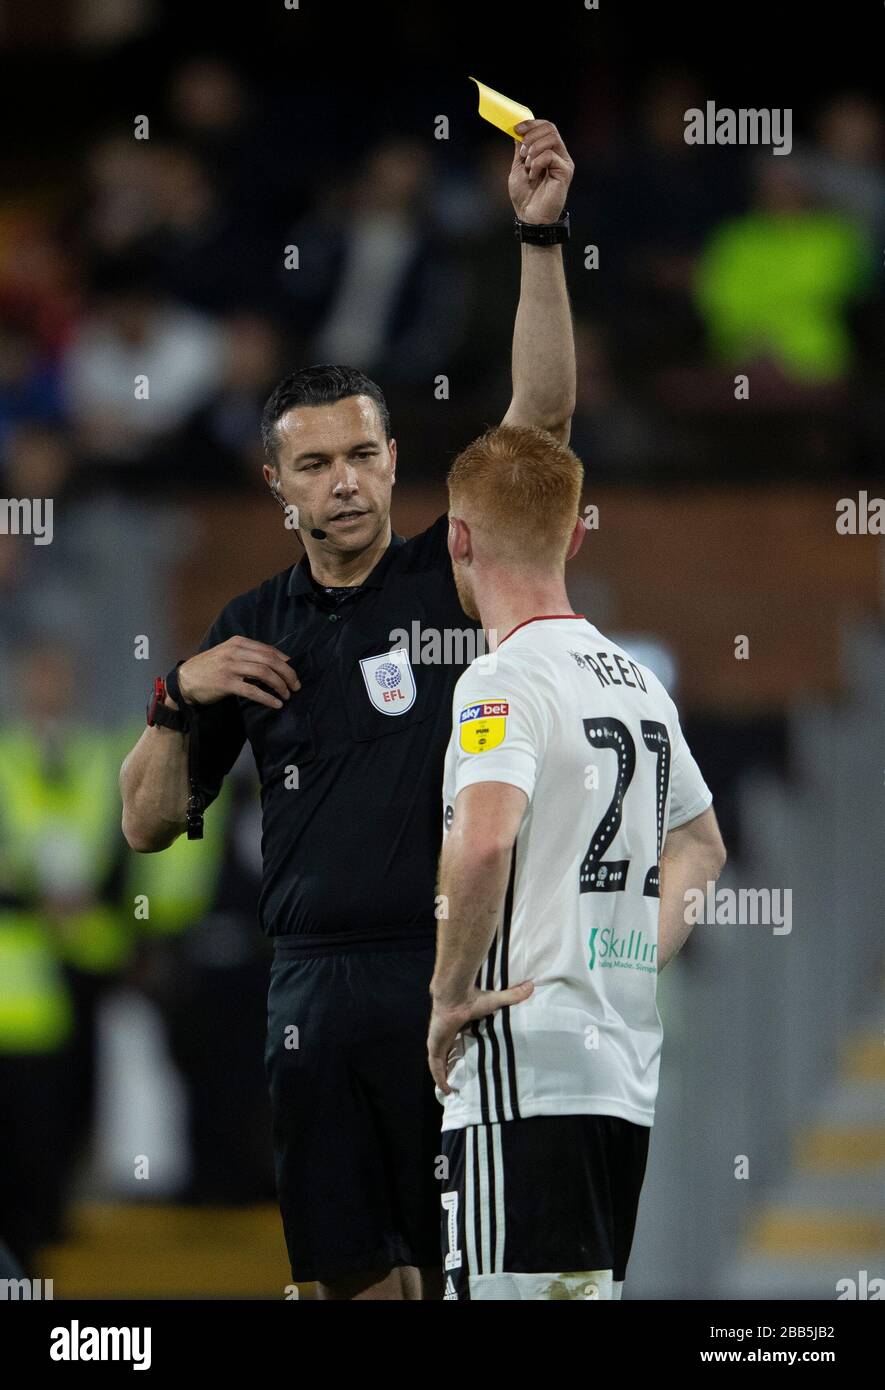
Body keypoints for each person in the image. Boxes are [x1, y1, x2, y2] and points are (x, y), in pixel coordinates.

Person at [120, 118, 576, 1300]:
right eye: (315, 464)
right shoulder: (249, 627)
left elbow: (541, 423)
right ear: (277, 485)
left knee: (472, 1270)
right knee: (346, 1284)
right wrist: (175, 696)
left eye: (363, 455)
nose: (346, 481)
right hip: (309, 987)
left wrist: (537, 233)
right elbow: (144, 827)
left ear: (390, 458)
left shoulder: (451, 572)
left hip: (449, 970)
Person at [427, 423, 726, 1300]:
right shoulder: (635, 680)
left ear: (457, 536)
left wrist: (447, 997)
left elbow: (482, 840)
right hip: (617, 1074)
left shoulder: (500, 679)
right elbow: (701, 845)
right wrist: (629, 954)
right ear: (576, 534)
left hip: (522, 1066)